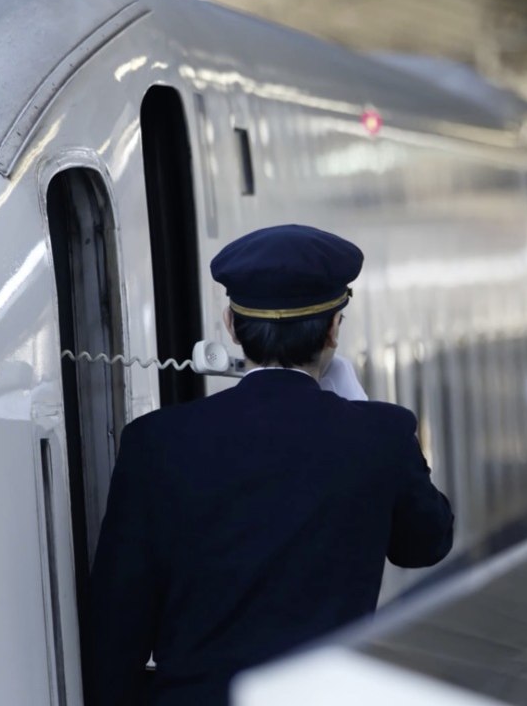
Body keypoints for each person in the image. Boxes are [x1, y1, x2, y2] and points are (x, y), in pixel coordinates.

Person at [85, 224, 455, 706]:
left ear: (232, 327)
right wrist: (363, 409)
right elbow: (426, 543)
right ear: (332, 330)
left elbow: (118, 626)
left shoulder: (153, 443)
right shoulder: (380, 434)